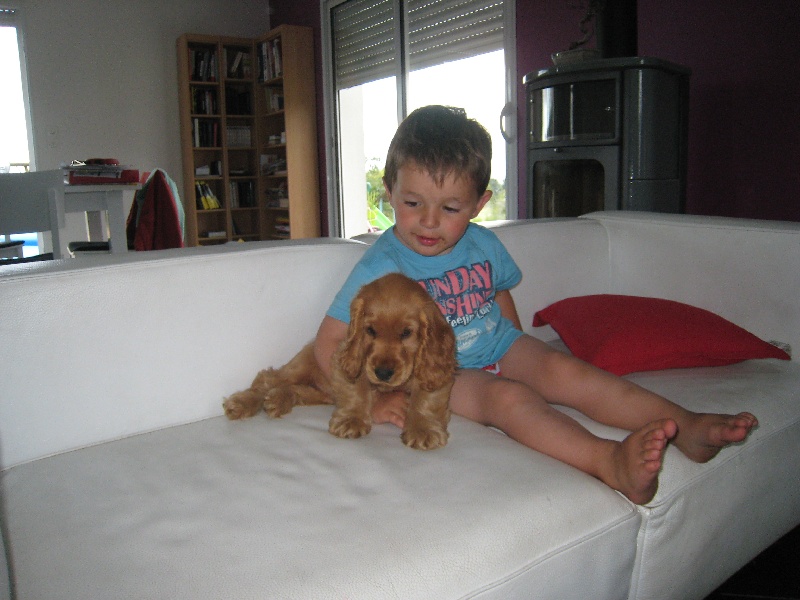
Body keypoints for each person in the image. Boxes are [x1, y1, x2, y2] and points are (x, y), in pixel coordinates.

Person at [314, 105, 757, 504]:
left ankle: (685, 424)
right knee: (510, 398)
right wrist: (368, 402)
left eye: (450, 208)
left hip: (500, 345)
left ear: (479, 204)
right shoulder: (379, 268)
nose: (429, 222)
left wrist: (520, 349)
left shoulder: (483, 243)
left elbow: (496, 291)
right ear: (389, 191)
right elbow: (329, 343)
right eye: (412, 203)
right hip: (445, 373)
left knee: (566, 369)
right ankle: (609, 461)